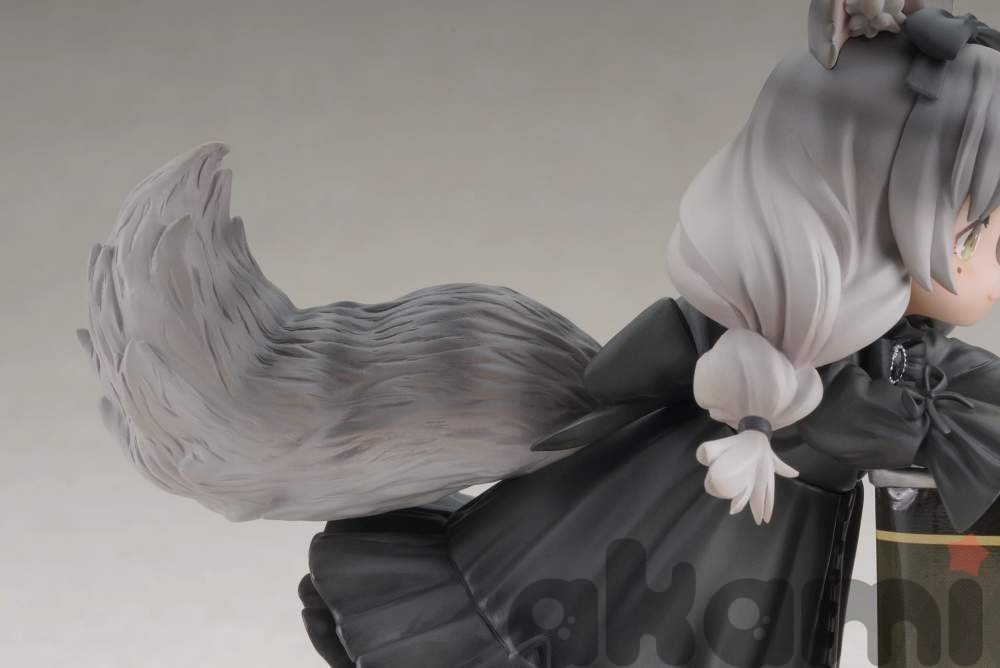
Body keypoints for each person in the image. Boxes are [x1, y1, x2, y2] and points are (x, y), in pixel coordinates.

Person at [79, 2, 1000, 666]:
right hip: (665, 586)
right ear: (872, 216)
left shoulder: (842, 355)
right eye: (978, 231)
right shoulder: (841, 384)